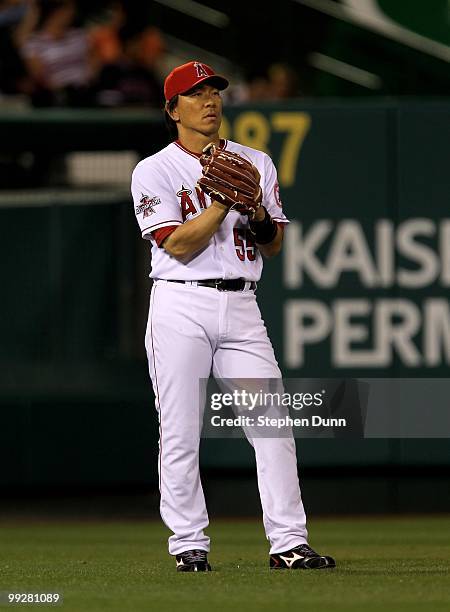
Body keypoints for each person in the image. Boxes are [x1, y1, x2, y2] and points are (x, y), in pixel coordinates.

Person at [131, 60, 336, 572]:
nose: (210, 101)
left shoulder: (255, 162)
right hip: (181, 303)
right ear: (172, 109)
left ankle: (289, 543)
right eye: (196, 94)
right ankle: (188, 544)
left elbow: (273, 246)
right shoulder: (154, 170)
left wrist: (259, 213)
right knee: (179, 432)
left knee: (273, 427)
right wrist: (223, 204)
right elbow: (176, 244)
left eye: (214, 91)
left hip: (243, 304)